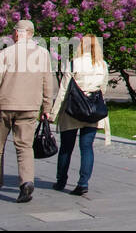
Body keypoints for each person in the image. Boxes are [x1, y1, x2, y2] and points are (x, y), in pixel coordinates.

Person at [0, 19, 56, 203]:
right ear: (32, 34)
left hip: (5, 105)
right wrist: (47, 108)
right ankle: (26, 183)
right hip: (30, 107)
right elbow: (48, 84)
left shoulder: (5, 53)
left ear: (17, 33)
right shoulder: (42, 54)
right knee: (24, 147)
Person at [50, 36, 110, 196]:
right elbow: (103, 89)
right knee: (87, 147)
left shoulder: (74, 63)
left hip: (73, 109)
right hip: (92, 111)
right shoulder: (103, 65)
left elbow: (63, 90)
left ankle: (61, 180)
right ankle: (83, 183)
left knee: (66, 148)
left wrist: (53, 113)